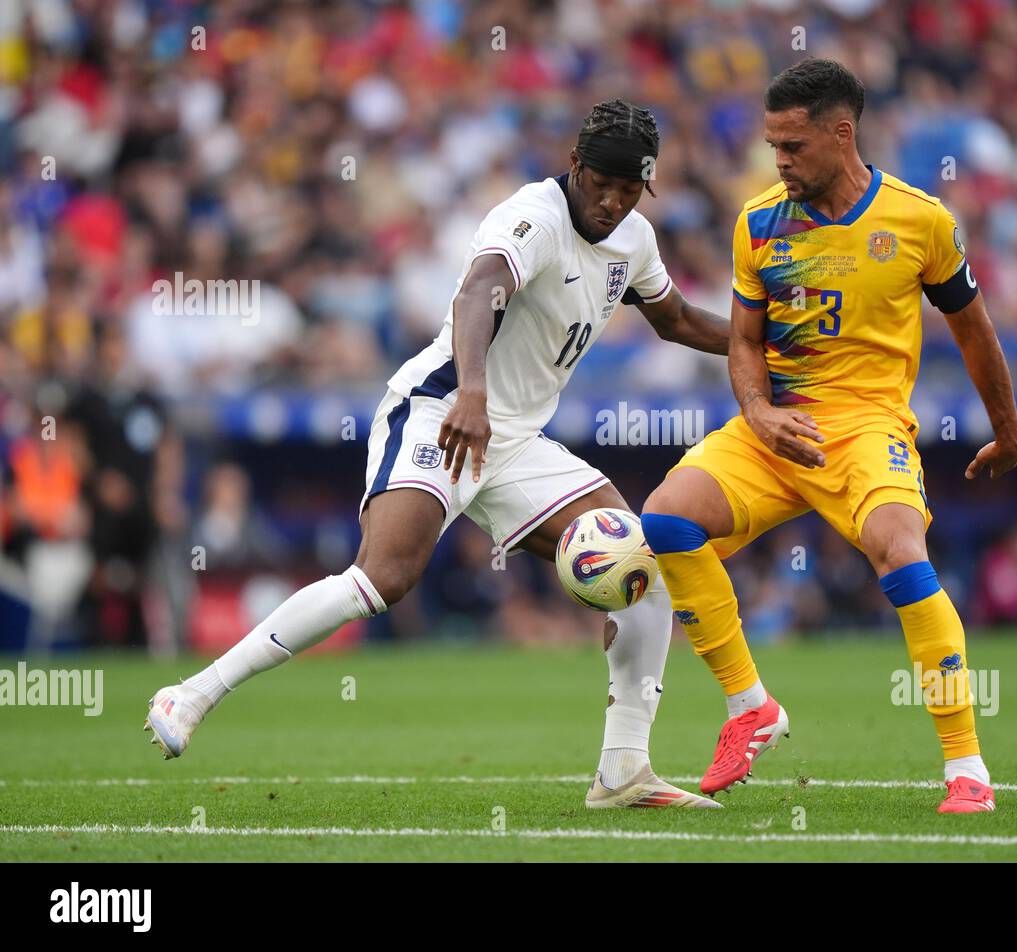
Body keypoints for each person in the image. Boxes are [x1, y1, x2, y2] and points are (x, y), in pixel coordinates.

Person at [145, 100, 731, 810]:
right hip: (442, 414)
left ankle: (622, 773)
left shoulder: (633, 238)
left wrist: (766, 344)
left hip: (515, 440)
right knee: (382, 578)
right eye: (601, 180)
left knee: (642, 564)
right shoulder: (533, 216)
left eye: (628, 187)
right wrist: (474, 395)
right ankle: (191, 694)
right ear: (575, 165)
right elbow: (481, 291)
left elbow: (674, 319)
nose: (611, 199)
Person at [639, 59, 1017, 814]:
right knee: (666, 518)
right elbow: (744, 341)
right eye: (772, 145)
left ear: (841, 133)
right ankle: (750, 705)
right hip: (775, 426)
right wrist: (755, 410)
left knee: (902, 555)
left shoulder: (921, 222)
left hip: (866, 426)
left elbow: (975, 333)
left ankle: (965, 767)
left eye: (792, 145)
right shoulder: (758, 222)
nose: (778, 161)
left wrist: (1007, 431)